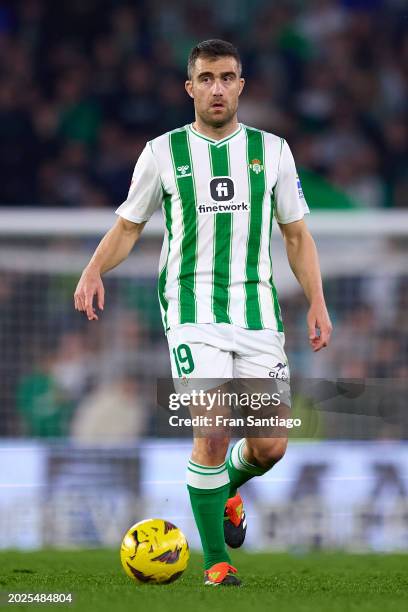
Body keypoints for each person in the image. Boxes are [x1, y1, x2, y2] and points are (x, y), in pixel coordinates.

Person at [74, 39, 332, 586]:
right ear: (190, 88)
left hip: (258, 312)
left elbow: (297, 234)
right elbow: (128, 226)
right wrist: (94, 269)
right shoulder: (162, 153)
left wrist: (317, 302)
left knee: (271, 445)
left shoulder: (274, 151)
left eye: (228, 77)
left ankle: (229, 492)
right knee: (211, 432)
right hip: (192, 312)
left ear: (242, 85)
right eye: (207, 78)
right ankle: (217, 563)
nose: (218, 87)